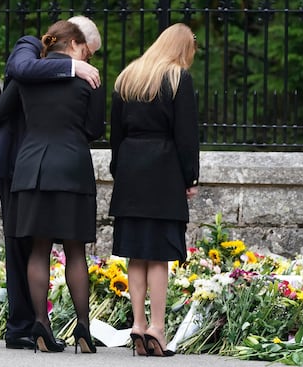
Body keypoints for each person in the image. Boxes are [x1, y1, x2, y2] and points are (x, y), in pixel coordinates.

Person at [0, 20, 105, 353]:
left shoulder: (28, 76)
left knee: (38, 250)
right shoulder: (90, 80)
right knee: (75, 250)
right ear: (73, 45)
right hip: (71, 167)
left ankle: (40, 323)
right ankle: (83, 328)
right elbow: (94, 129)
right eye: (85, 52)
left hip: (31, 167)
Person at [109, 23, 199, 357]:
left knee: (136, 252)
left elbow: (115, 134)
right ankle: (157, 329)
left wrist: (119, 170)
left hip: (131, 168)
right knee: (159, 254)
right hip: (163, 170)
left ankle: (137, 324)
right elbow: (186, 135)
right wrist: (190, 177)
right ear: (182, 49)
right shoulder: (177, 78)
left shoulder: (128, 76)